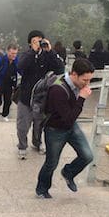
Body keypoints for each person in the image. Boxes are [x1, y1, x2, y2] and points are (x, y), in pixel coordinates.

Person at [36, 58, 95, 199]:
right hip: (55, 129)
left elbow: (70, 119)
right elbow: (68, 118)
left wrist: (80, 94)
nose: (87, 84)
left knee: (87, 156)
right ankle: (42, 189)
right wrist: (81, 98)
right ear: (74, 74)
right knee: (51, 163)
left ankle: (68, 172)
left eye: (89, 80)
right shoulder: (58, 90)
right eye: (84, 80)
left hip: (70, 126)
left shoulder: (75, 85)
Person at [16, 30, 64, 159]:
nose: (38, 43)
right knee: (23, 125)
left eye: (40, 40)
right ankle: (22, 146)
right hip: (26, 96)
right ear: (30, 43)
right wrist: (33, 52)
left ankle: (37, 143)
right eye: (34, 41)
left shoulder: (48, 55)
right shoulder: (26, 54)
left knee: (39, 124)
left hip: (42, 98)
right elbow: (20, 67)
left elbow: (60, 69)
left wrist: (50, 51)